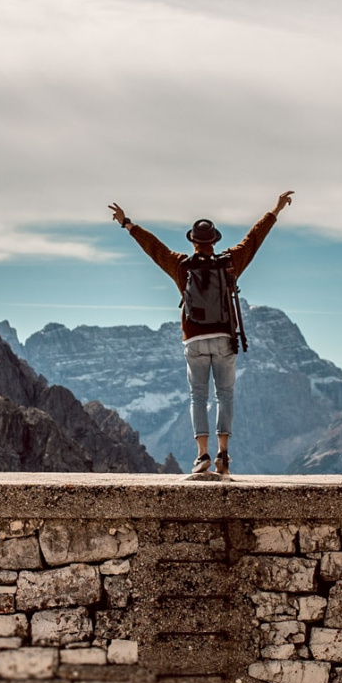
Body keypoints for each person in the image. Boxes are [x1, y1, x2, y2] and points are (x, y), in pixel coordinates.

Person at [108, 193, 294, 476]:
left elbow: (154, 248)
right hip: (223, 337)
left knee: (198, 396)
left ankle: (201, 455)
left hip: (193, 339)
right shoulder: (230, 262)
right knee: (225, 394)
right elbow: (254, 239)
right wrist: (275, 209)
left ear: (193, 242)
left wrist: (128, 224)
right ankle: (223, 454)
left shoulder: (181, 265)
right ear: (214, 242)